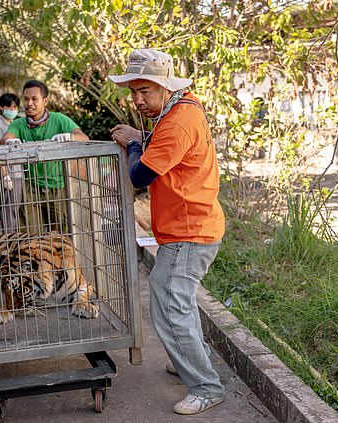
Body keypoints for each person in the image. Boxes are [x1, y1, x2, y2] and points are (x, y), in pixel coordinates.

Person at [108, 49, 226, 415]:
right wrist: (139, 140)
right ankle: (191, 357)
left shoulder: (176, 122)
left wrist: (131, 142)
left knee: (169, 303)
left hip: (190, 229)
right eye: (133, 92)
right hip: (192, 224)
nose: (138, 100)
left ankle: (206, 386)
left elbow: (140, 175)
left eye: (145, 91)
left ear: (163, 86)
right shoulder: (182, 107)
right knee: (178, 299)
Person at [0, 80, 89, 234]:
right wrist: (10, 140)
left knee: (62, 235)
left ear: (45, 101)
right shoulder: (19, 123)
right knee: (30, 236)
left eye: (34, 99)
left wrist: (70, 136)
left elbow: (84, 138)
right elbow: (6, 137)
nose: (29, 103)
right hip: (31, 188)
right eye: (26, 99)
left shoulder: (59, 119)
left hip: (58, 186)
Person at [0, 93, 22, 230]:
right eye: (9, 106)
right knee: (9, 209)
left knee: (15, 208)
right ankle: (9, 240)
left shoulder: (14, 123)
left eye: (15, 106)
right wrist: (5, 175)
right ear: (2, 108)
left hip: (18, 171)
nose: (12, 109)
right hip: (8, 173)